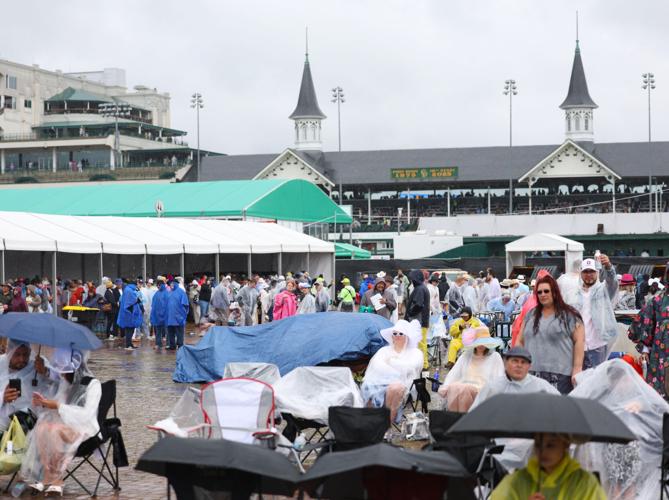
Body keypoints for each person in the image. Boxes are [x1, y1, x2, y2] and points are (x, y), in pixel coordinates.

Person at [572, 359, 669, 500]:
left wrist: (641, 404)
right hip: (613, 447)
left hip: (634, 448)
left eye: (623, 380)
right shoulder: (607, 396)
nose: (620, 385)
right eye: (616, 381)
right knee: (616, 483)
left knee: (629, 484)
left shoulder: (641, 396)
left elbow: (658, 409)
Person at [21, 348, 102, 496]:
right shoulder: (66, 382)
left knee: (54, 430)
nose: (62, 375)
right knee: (43, 427)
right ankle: (47, 474)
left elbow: (87, 415)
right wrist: (44, 403)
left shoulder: (93, 384)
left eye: (65, 372)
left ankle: (57, 479)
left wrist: (58, 406)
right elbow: (56, 405)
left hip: (85, 430)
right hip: (63, 426)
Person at [472, 346, 559, 471]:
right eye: (515, 361)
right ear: (505, 362)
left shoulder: (542, 387)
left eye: (523, 362)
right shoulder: (493, 387)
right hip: (500, 442)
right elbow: (475, 414)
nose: (519, 366)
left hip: (533, 441)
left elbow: (559, 410)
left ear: (529, 366)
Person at [517, 274, 584, 394]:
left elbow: (579, 341)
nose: (543, 294)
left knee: (557, 411)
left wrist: (577, 368)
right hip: (532, 374)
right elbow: (520, 340)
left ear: (554, 292)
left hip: (560, 376)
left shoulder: (570, 315)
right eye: (539, 292)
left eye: (546, 291)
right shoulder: (530, 314)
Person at [490, 433, 606, 500]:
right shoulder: (518, 481)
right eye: (538, 444)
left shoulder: (584, 483)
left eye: (550, 445)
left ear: (565, 444)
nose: (542, 451)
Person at [360, 319, 424, 423]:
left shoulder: (415, 352)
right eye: (395, 333)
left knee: (394, 388)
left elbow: (411, 367)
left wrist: (392, 363)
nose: (397, 336)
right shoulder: (384, 351)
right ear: (392, 336)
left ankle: (386, 425)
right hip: (381, 381)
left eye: (401, 333)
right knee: (367, 386)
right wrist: (394, 367)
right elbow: (377, 365)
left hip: (405, 384)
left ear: (407, 336)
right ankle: (372, 423)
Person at [438, 327, 504, 412]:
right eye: (479, 342)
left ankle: (464, 418)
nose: (481, 345)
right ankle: (455, 417)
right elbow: (454, 372)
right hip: (464, 387)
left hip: (483, 391)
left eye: (484, 342)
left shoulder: (495, 357)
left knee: (465, 389)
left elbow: (499, 377)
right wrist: (446, 386)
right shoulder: (466, 355)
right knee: (454, 387)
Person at [573, 256, 618, 370]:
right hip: (578, 346)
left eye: (592, 271)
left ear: (597, 273)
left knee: (597, 382)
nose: (589, 274)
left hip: (598, 345)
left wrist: (608, 266)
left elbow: (612, 281)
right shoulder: (574, 294)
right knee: (579, 382)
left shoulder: (604, 290)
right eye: (586, 271)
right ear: (581, 274)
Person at [0, 340, 52, 432]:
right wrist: (2, 397)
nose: (22, 359)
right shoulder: (1, 364)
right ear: (9, 352)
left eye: (25, 355)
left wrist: (47, 372)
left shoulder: (36, 367)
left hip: (28, 427)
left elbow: (55, 387)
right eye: (17, 354)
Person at [405, 270, 430, 370]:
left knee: (420, 343)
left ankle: (424, 365)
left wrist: (410, 313)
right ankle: (423, 363)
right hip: (421, 320)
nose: (411, 281)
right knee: (421, 342)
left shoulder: (419, 289)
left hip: (419, 321)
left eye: (412, 279)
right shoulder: (422, 288)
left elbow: (418, 305)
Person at [116, 281, 143, 350]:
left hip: (128, 312)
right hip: (129, 313)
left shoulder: (128, 290)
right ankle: (128, 345)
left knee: (130, 329)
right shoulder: (129, 291)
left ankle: (130, 344)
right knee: (129, 330)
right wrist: (137, 300)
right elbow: (132, 301)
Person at [166, 279, 189, 350]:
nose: (171, 285)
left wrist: (183, 315)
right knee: (171, 332)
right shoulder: (169, 292)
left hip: (178, 317)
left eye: (172, 283)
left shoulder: (181, 292)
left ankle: (180, 345)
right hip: (170, 316)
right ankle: (172, 345)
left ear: (176, 283)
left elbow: (186, 305)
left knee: (179, 332)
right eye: (170, 284)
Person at [150, 277, 169, 350]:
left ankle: (168, 344)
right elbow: (153, 305)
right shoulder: (156, 294)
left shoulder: (166, 293)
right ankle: (158, 343)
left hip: (165, 315)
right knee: (158, 331)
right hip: (157, 316)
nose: (158, 286)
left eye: (159, 285)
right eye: (157, 285)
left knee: (167, 331)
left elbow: (168, 305)